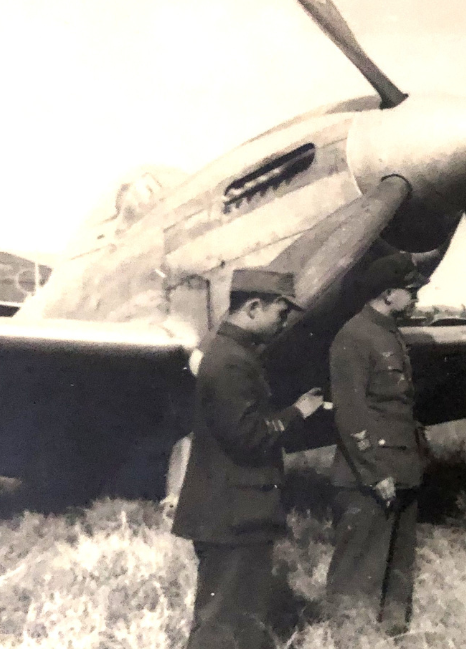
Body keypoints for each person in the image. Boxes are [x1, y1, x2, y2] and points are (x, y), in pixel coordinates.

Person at [172, 269, 326, 649]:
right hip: (232, 513)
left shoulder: (232, 355)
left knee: (241, 620)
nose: (283, 323)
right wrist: (297, 413)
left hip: (236, 509)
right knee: (220, 624)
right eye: (281, 312)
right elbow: (248, 436)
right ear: (254, 307)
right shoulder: (230, 361)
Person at [323, 254, 431, 636]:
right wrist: (375, 473)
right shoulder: (353, 337)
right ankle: (349, 640)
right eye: (411, 290)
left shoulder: (389, 333)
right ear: (388, 293)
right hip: (369, 476)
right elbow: (350, 415)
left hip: (402, 470)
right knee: (357, 570)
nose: (417, 296)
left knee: (397, 567)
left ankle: (392, 634)